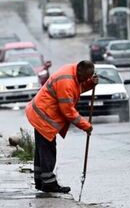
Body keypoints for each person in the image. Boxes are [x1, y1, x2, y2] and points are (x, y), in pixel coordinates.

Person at [25, 60, 98, 193]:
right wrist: (86, 126)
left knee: (42, 149)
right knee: (48, 150)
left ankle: (40, 181)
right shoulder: (67, 81)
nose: (85, 79)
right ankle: (49, 184)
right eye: (85, 77)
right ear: (80, 70)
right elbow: (68, 111)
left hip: (40, 114)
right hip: (44, 117)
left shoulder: (73, 73)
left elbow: (78, 87)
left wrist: (90, 83)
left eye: (88, 78)